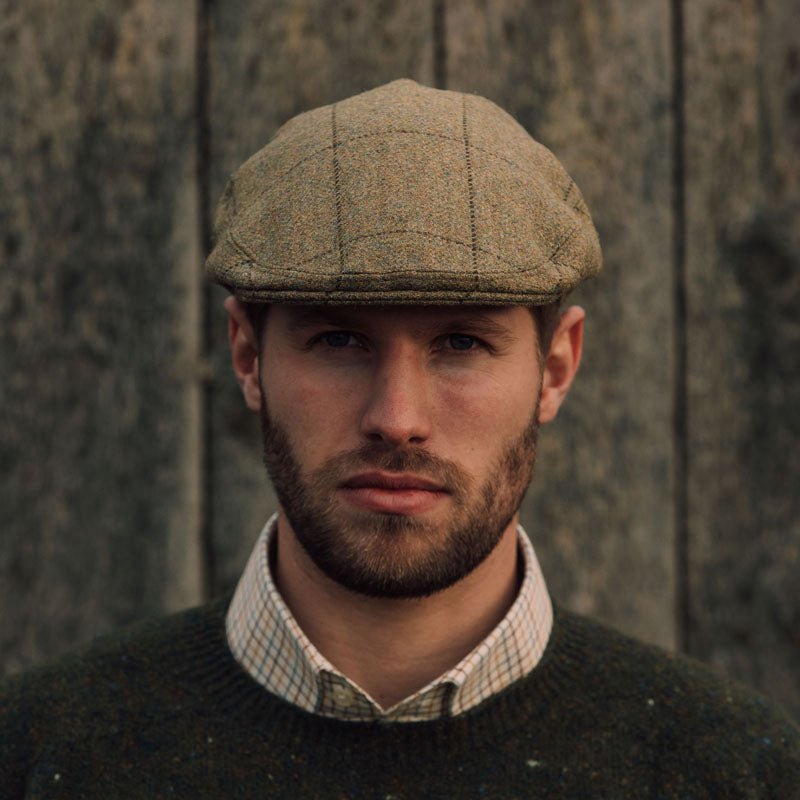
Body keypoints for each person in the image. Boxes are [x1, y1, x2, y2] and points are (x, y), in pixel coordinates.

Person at [1, 79, 798, 798]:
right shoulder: (44, 751)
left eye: (461, 344)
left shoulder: (733, 770)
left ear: (556, 369)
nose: (397, 416)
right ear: (248, 355)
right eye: (339, 341)